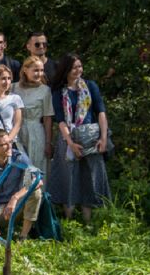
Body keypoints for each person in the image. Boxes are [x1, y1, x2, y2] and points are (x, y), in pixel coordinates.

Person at [47, 53, 110, 223]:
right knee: (68, 177)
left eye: (80, 66)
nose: (78, 70)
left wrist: (103, 138)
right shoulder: (58, 91)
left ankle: (87, 222)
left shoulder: (90, 86)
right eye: (74, 67)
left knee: (88, 177)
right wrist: (71, 143)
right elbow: (60, 119)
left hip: (90, 138)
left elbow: (101, 112)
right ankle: (69, 221)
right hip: (68, 139)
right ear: (66, 70)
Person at [0, 129, 42, 240]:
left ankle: (23, 236)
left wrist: (15, 197)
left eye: (10, 142)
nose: (9, 146)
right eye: (4, 144)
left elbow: (34, 180)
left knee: (35, 192)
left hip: (15, 208)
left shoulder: (19, 157)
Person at [12, 57, 54, 180]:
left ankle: (37, 191)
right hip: (16, 131)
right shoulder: (13, 88)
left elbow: (47, 118)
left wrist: (48, 142)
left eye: (41, 70)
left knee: (37, 164)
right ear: (25, 70)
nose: (39, 74)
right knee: (18, 165)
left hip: (36, 131)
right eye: (35, 70)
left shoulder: (45, 90)